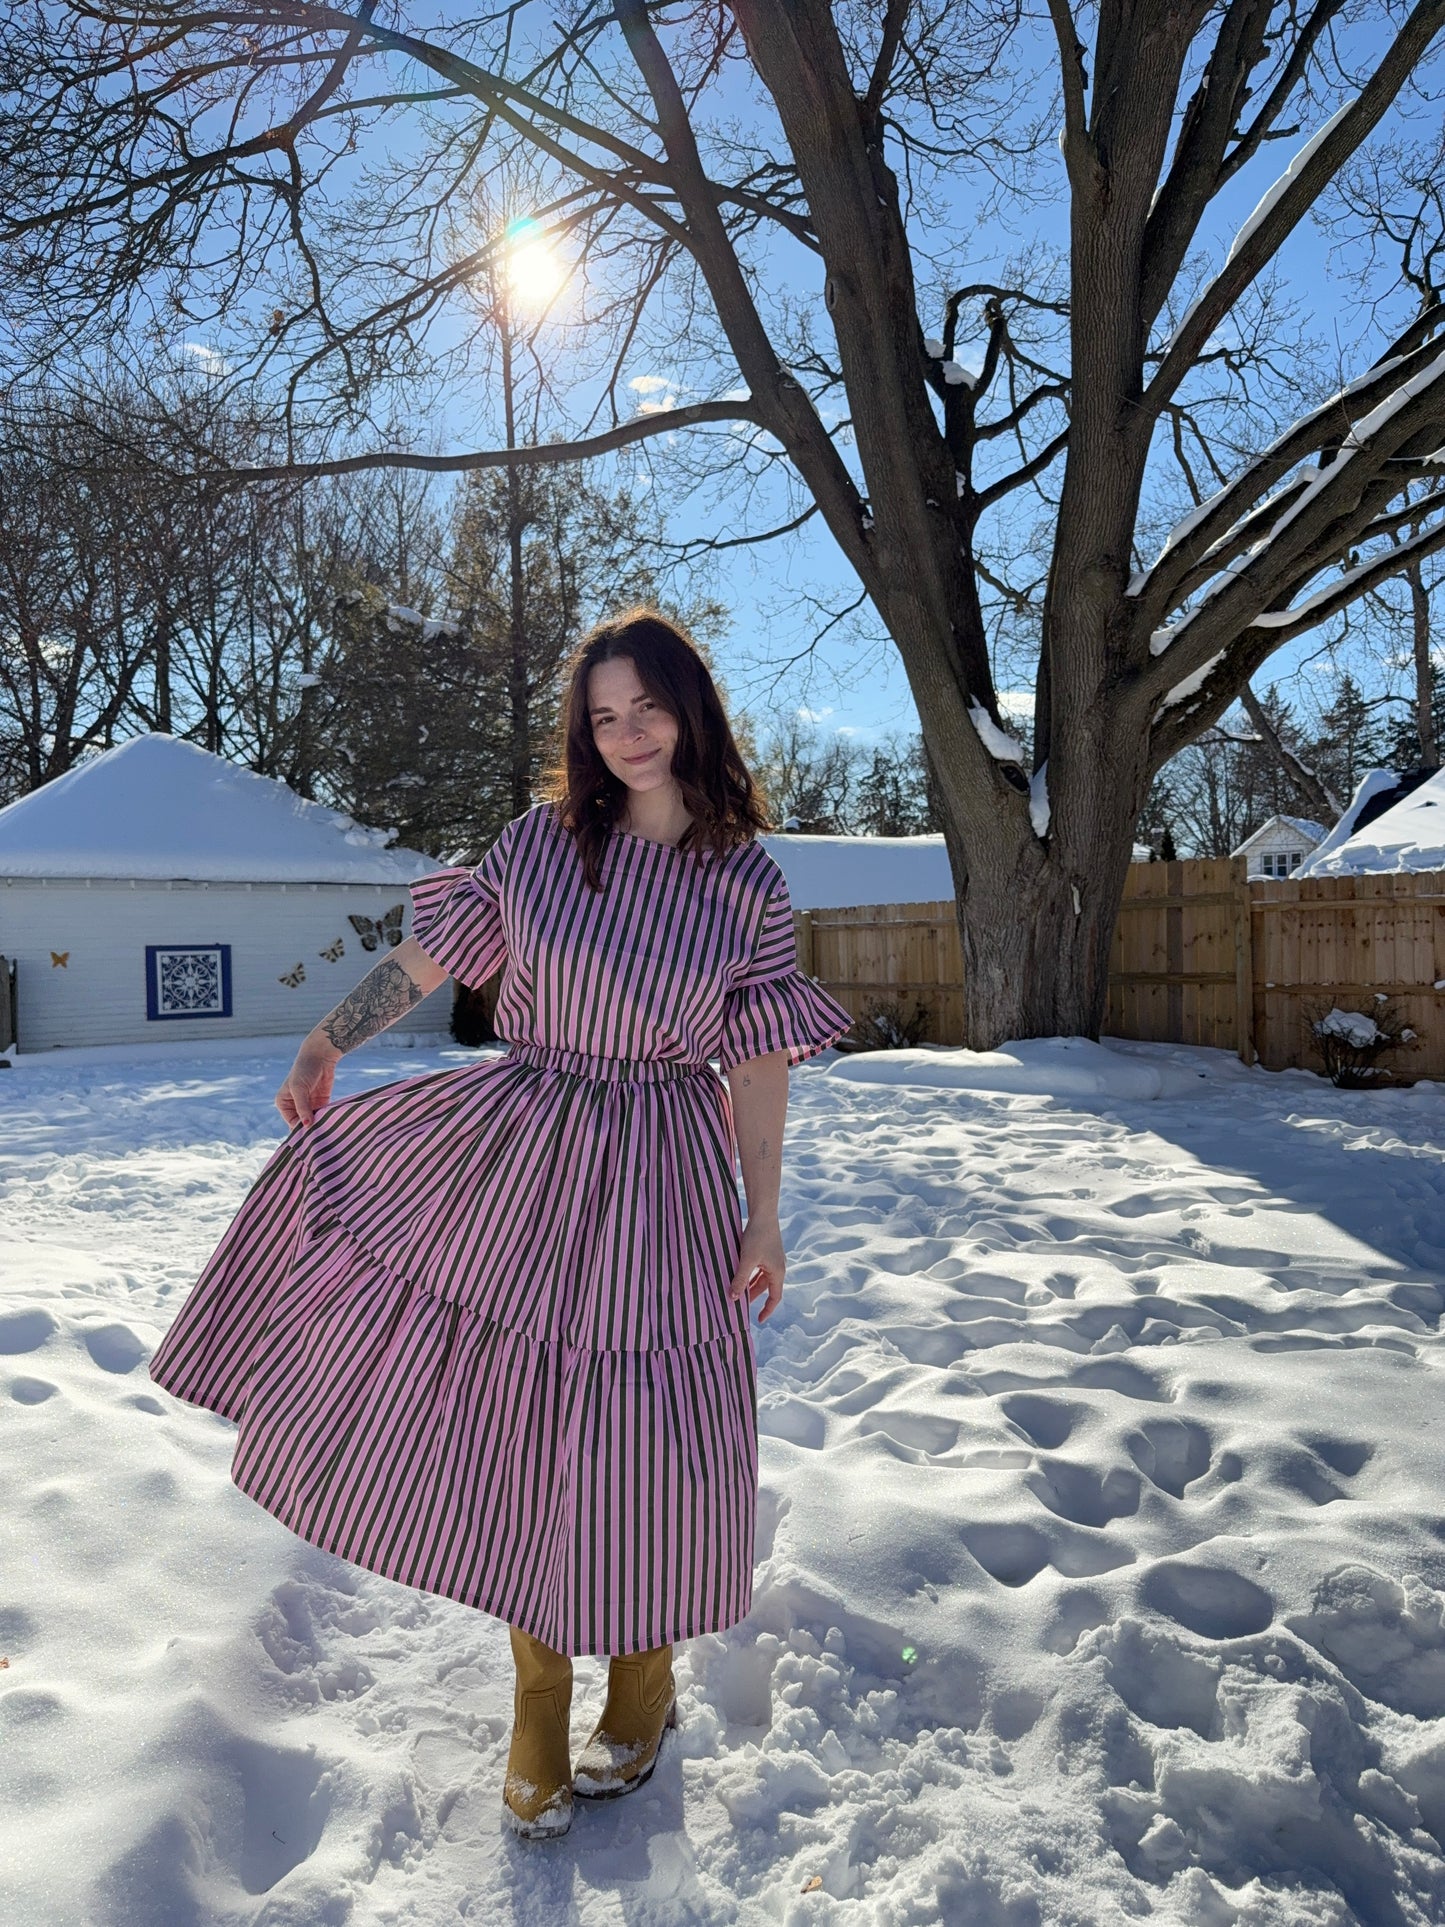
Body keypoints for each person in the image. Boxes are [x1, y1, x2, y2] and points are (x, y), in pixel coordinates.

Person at [148, 607, 853, 1839]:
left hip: (657, 1169)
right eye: (601, 715)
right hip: (519, 1149)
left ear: (690, 709)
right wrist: (329, 1035)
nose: (626, 733)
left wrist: (765, 1215)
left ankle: (641, 1679)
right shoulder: (541, 847)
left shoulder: (747, 881)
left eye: (645, 706)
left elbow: (757, 1066)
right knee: (521, 1420)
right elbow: (430, 957)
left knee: (636, 1434)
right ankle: (539, 1688)